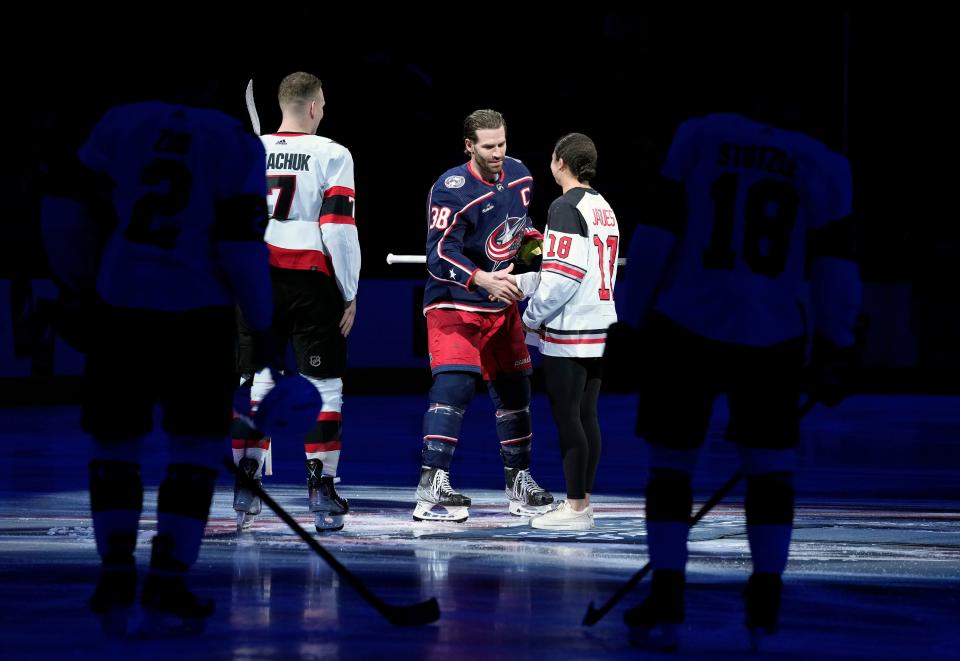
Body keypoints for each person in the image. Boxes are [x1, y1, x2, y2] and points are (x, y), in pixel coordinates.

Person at [619, 110, 861, 650]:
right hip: (773, 330)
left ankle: (668, 593)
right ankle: (766, 597)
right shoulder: (824, 163)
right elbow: (835, 265)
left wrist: (631, 318)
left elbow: (658, 231)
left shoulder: (699, 135)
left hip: (687, 320)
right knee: (770, 468)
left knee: (671, 463)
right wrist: (836, 344)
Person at [41, 82, 273, 634]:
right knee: (193, 449)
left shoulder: (120, 118)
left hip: (121, 301)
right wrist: (263, 325)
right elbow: (240, 246)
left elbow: (63, 206)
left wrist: (76, 284)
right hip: (197, 312)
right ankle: (169, 580)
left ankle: (115, 573)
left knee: (114, 442)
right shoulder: (233, 139)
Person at [233, 71, 360, 533]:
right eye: (322, 104)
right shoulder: (333, 153)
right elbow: (339, 229)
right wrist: (349, 291)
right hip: (310, 279)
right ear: (311, 107)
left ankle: (247, 484)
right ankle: (321, 490)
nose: (323, 111)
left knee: (258, 380)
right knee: (323, 386)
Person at [415, 109, 553, 522]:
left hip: (501, 303)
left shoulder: (521, 176)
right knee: (455, 385)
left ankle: (519, 484)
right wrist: (482, 279)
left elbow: (518, 225)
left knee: (516, 391)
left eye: (502, 144)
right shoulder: (450, 189)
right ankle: (431, 485)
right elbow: (438, 254)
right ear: (469, 146)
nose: (497, 153)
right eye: (488, 146)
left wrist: (538, 246)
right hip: (454, 302)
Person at [507, 133, 619, 531]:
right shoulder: (603, 206)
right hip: (601, 322)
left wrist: (529, 317)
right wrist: (522, 281)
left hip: (572, 327)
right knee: (587, 414)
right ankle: (582, 502)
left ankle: (574, 507)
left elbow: (564, 276)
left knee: (568, 416)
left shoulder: (564, 206)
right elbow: (576, 270)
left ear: (559, 161)